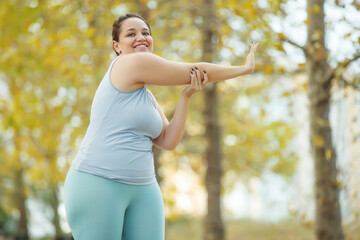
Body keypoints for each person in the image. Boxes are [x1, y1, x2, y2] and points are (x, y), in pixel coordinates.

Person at [64, 13, 258, 240]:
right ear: (117, 46)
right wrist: (243, 69)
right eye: (131, 34)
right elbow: (194, 70)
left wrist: (185, 97)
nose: (141, 37)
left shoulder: (146, 98)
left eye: (146, 33)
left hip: (143, 187)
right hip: (98, 183)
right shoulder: (129, 63)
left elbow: (168, 140)